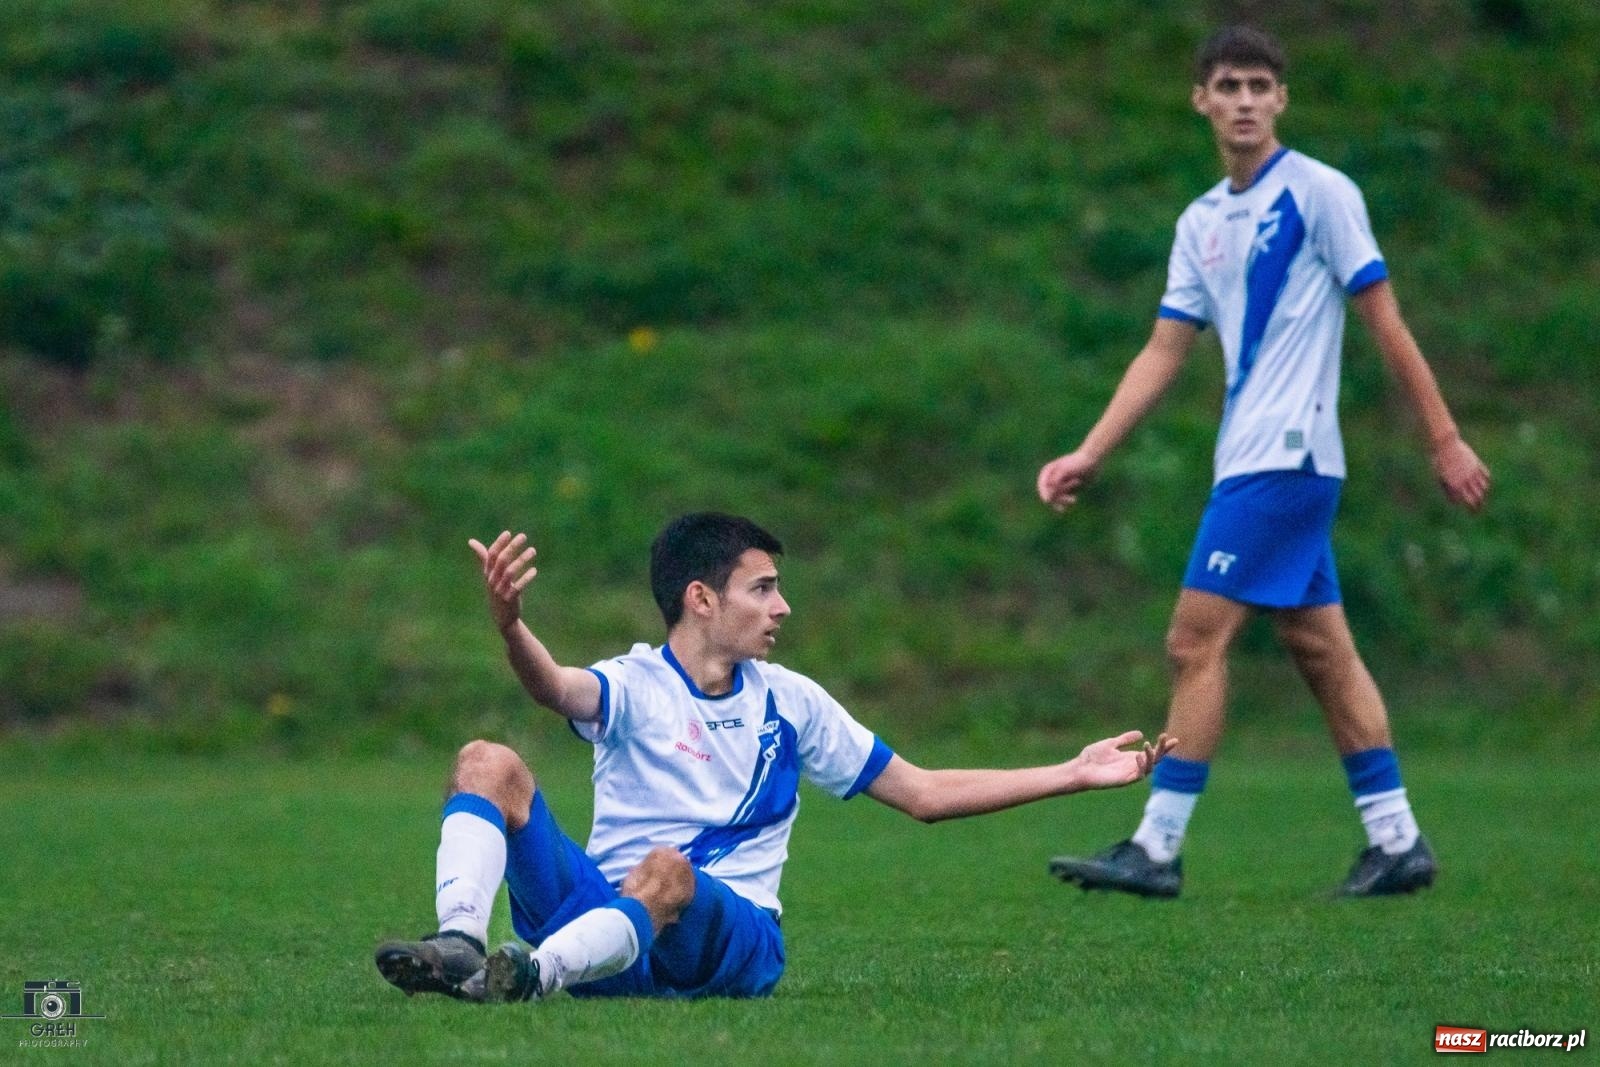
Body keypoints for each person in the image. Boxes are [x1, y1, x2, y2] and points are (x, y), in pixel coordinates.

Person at [1036, 26, 1489, 899]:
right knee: (1320, 646)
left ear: (1282, 99)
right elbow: (1164, 350)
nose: (1244, 100)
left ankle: (1157, 847)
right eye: (1227, 85)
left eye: (1259, 85)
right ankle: (1396, 840)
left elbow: (1385, 319)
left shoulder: (1321, 193)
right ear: (1200, 100)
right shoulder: (1201, 221)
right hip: (1249, 456)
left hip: (1289, 457)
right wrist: (1090, 451)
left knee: (1191, 640)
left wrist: (1444, 438)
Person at [375, 513, 1175, 1002]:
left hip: (732, 940)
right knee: (486, 759)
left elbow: (924, 790)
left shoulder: (791, 701)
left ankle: (532, 977)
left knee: (670, 872)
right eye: (762, 587)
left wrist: (1073, 771)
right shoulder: (635, 683)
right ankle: (462, 947)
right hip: (604, 924)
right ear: (701, 597)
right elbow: (552, 686)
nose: (781, 606)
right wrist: (512, 625)